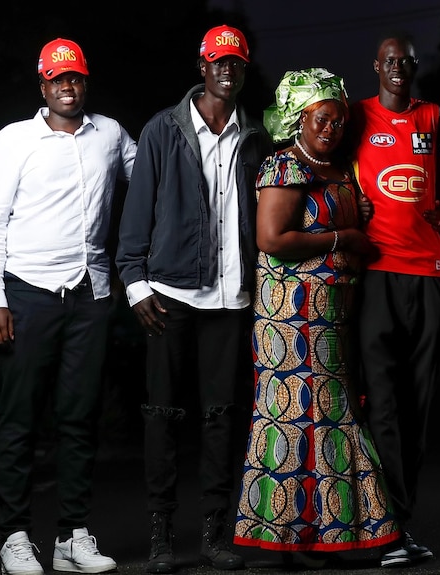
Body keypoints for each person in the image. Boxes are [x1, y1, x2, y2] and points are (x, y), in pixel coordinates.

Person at [0, 37, 135, 575]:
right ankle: (14, 536)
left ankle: (72, 536)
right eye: (58, 78)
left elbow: (152, 174)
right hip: (25, 293)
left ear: (85, 82)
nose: (69, 86)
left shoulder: (109, 134)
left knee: (79, 419)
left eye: (77, 77)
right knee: (18, 420)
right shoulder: (14, 140)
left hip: (89, 295)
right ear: (43, 86)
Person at [115, 24, 271, 574]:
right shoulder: (164, 130)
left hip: (231, 299)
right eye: (218, 63)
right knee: (162, 414)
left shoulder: (254, 136)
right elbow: (137, 215)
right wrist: (134, 283)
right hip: (170, 295)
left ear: (243, 71)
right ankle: (160, 535)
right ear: (201, 67)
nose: (226, 71)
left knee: (221, 418)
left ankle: (214, 534)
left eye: (236, 64)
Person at [232, 68, 401, 561]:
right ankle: (291, 538)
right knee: (295, 414)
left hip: (333, 314)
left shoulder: (340, 169)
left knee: (326, 413)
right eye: (320, 119)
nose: (330, 128)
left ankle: (324, 535)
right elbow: (271, 240)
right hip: (290, 318)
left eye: (338, 120)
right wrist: (342, 239)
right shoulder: (284, 167)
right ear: (297, 119)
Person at [348, 31, 440, 568]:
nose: (399, 69)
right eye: (390, 62)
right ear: (376, 66)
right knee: (380, 402)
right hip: (377, 274)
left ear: (415, 67)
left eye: (407, 61)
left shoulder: (435, 117)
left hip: (429, 273)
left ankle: (400, 521)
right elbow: (329, 160)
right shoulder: (356, 116)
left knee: (417, 405)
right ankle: (383, 527)